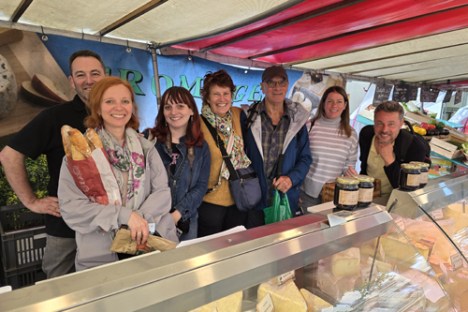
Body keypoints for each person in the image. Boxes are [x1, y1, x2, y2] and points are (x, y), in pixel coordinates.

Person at [0, 50, 106, 278]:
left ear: (106, 76)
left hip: (108, 225)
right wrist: (31, 201)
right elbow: (9, 155)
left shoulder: (115, 115)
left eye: (95, 73)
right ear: (71, 81)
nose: (89, 80)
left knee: (104, 289)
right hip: (66, 229)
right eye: (81, 75)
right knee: (60, 292)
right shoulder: (55, 116)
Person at [58, 77, 177, 271]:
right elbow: (71, 208)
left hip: (148, 246)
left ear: (132, 107)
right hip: (102, 254)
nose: (118, 107)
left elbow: (162, 193)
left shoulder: (147, 148)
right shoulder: (80, 157)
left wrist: (138, 220)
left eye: (125, 101)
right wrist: (124, 216)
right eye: (109, 101)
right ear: (97, 108)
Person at [241, 65, 312, 217]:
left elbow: (305, 158)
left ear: (287, 86)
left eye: (282, 83)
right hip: (254, 198)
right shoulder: (249, 117)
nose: (277, 88)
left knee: (283, 240)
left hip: (284, 199)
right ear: (262, 87)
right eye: (271, 83)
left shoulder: (297, 121)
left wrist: (291, 179)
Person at [198, 70, 256, 237]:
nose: (222, 99)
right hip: (209, 203)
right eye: (216, 94)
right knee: (210, 254)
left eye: (226, 93)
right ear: (207, 97)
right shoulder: (197, 123)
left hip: (238, 199)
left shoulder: (238, 115)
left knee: (234, 251)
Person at [147, 86, 210, 240]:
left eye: (180, 106)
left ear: (192, 111)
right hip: (151, 222)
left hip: (185, 223)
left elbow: (201, 187)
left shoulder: (201, 147)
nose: (173, 112)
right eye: (168, 107)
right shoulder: (149, 141)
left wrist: (176, 214)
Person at [300, 86, 358, 208]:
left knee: (329, 226)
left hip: (333, 194)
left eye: (339, 102)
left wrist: (351, 174)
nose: (334, 105)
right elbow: (300, 159)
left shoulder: (351, 134)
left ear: (345, 105)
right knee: (308, 226)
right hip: (306, 193)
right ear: (323, 104)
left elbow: (349, 164)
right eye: (330, 101)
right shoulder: (309, 126)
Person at [359, 100, 427, 196]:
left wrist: (389, 160)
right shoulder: (367, 134)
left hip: (395, 202)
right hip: (367, 197)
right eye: (380, 123)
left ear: (401, 123)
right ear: (374, 121)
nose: (384, 130)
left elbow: (408, 190)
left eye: (391, 124)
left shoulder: (414, 146)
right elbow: (364, 169)